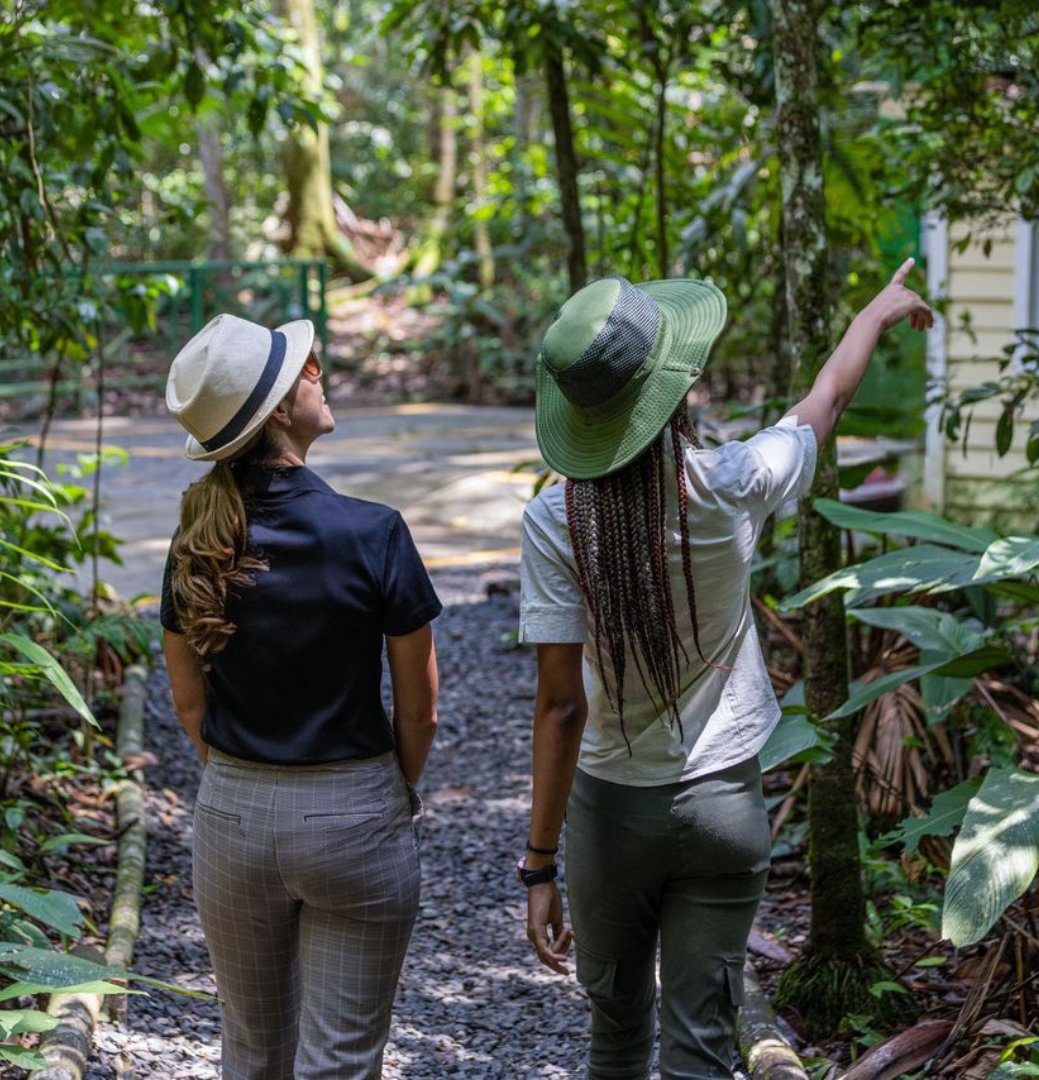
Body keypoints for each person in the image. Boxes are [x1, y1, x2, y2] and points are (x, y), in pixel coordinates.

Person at [517, 262, 932, 1078]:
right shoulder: (731, 483)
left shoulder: (554, 522)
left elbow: (561, 710)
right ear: (674, 391)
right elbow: (825, 403)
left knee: (615, 1036)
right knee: (702, 1046)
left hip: (609, 815)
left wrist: (537, 865)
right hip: (724, 805)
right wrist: (875, 310)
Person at [159, 313, 441, 1079]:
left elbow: (190, 705)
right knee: (341, 1061)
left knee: (251, 1051)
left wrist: (240, 780)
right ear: (280, 410)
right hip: (355, 813)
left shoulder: (196, 544)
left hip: (233, 817)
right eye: (308, 369)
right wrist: (393, 789)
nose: (320, 372)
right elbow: (419, 708)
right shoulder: (374, 532)